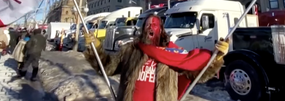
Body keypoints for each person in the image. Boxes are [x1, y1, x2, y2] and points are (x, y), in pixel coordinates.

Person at [84, 14, 229, 101]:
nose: (149, 26)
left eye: (154, 24)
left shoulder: (173, 53)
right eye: (147, 24)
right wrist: (96, 48)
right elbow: (107, 67)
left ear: (161, 30)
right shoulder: (131, 50)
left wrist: (216, 59)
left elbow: (197, 74)